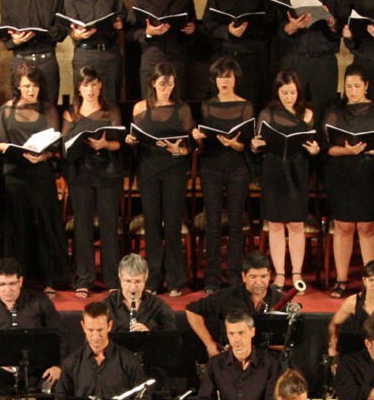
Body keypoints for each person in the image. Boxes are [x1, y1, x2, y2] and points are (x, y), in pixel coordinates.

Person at [323, 65, 374, 293]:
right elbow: (328, 147)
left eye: (356, 86)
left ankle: (371, 282)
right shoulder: (335, 112)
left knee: (367, 226)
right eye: (348, 87)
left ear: (366, 86)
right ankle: (342, 280)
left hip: (370, 174)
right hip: (342, 173)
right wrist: (347, 151)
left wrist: (372, 150)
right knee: (343, 226)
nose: (352, 91)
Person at [0, 62, 66, 289]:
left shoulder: (48, 109)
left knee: (44, 224)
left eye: (34, 86)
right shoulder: (6, 110)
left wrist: (44, 156)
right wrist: (10, 149)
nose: (31, 91)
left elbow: (56, 142)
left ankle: (49, 279)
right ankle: (17, 279)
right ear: (18, 86)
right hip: (14, 174)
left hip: (40, 174)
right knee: (17, 226)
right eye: (26, 86)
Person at [253, 70, 320, 294]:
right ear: (277, 92)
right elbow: (258, 145)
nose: (289, 97)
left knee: (296, 224)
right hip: (273, 170)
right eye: (284, 92)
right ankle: (280, 273)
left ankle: (297, 273)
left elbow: (313, 144)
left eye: (292, 92)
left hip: (297, 169)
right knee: (275, 223)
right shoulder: (267, 113)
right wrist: (254, 144)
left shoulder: (307, 114)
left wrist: (315, 149)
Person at [193, 57, 257, 289]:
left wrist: (234, 144)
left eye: (228, 76)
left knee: (235, 223)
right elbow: (202, 145)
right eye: (220, 77)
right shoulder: (207, 105)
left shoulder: (246, 105)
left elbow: (247, 145)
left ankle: (233, 275)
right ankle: (211, 278)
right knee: (212, 222)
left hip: (237, 167)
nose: (224, 81)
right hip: (211, 166)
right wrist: (198, 139)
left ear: (235, 79)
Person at [130, 62, 193, 295]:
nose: (166, 88)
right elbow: (136, 139)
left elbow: (190, 144)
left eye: (170, 83)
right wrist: (132, 141)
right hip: (148, 169)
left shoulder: (182, 108)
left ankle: (176, 279)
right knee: (152, 225)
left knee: (173, 225)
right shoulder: (139, 108)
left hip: (174, 170)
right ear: (153, 83)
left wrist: (181, 150)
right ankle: (154, 280)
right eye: (162, 83)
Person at [48, 304, 147, 400]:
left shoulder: (128, 360)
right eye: (90, 330)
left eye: (100, 330)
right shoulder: (71, 362)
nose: (95, 336)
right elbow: (60, 396)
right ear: (83, 326)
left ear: (109, 325)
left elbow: (144, 396)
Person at [64, 65, 126, 294]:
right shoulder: (71, 112)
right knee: (83, 228)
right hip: (81, 173)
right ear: (78, 88)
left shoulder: (111, 110)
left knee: (109, 226)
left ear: (100, 85)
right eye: (84, 85)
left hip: (107, 172)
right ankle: (84, 279)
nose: (89, 90)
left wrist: (105, 144)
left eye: (93, 84)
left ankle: (111, 279)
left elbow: (119, 142)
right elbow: (64, 143)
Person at [276, 0, 348, 118]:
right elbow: (280, 29)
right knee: (293, 111)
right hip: (296, 60)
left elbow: (345, 28)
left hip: (324, 62)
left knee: (325, 112)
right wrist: (293, 26)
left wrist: (329, 19)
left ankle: (322, 145)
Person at [202, 0, 276, 105]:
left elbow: (272, 25)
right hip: (225, 58)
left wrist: (250, 29)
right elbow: (208, 25)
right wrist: (227, 31)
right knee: (225, 106)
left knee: (253, 104)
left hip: (254, 60)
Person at [0, 0, 65, 102]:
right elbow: (5, 37)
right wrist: (16, 41)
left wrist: (46, 32)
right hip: (21, 59)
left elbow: (61, 31)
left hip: (47, 60)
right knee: (20, 108)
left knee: (49, 108)